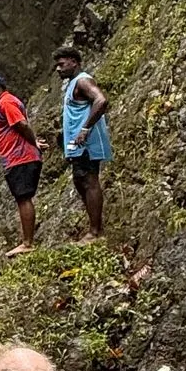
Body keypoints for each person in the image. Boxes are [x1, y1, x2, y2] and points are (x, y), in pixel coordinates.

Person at [0, 72, 42, 252]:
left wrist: (33, 142)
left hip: (20, 158)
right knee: (22, 198)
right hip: (17, 158)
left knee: (23, 198)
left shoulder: (6, 102)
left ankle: (27, 244)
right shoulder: (7, 102)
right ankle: (26, 242)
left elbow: (22, 124)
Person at [54, 47, 111, 239]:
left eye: (61, 64)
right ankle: (94, 227)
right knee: (80, 180)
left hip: (87, 143)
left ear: (73, 62)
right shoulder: (72, 84)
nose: (58, 69)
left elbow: (101, 100)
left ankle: (95, 232)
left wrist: (85, 129)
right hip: (77, 144)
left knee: (89, 180)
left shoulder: (83, 81)